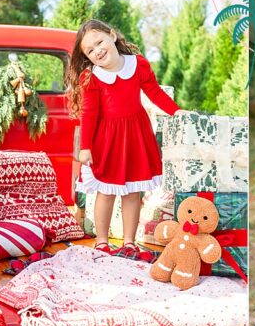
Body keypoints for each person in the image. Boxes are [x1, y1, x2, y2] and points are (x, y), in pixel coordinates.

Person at [65, 19, 181, 261]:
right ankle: (102, 241)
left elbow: (155, 93)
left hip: (136, 136)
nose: (97, 50)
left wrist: (177, 112)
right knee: (106, 192)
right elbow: (89, 113)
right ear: (87, 56)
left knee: (132, 192)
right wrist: (85, 147)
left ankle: (129, 242)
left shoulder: (138, 65)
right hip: (106, 140)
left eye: (99, 42)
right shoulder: (92, 76)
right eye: (90, 50)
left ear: (112, 35)